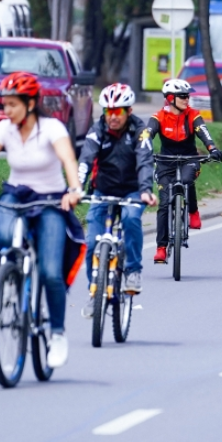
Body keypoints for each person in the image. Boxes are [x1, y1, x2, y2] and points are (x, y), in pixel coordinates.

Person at [0, 72, 84, 368]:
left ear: (30, 103)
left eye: (13, 104)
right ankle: (11, 277)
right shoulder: (4, 128)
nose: (7, 110)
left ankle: (57, 333)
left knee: (52, 272)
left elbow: (68, 160)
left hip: (50, 199)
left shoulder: (51, 128)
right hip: (16, 194)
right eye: (5, 104)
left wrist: (74, 189)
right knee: (2, 231)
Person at [77, 83, 157, 296]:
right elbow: (86, 158)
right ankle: (93, 291)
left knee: (131, 219)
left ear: (129, 111)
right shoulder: (98, 130)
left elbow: (144, 161)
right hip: (103, 191)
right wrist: (76, 188)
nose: (112, 117)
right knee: (92, 241)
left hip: (133, 191)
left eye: (118, 111)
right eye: (108, 111)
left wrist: (145, 190)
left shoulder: (141, 132)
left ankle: (133, 271)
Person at [147, 79, 222, 263]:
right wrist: (143, 150)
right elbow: (147, 134)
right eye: (183, 96)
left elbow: (203, 132)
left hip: (190, 159)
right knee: (164, 203)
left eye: (187, 95)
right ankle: (161, 248)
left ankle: (193, 212)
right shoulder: (158, 117)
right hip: (165, 162)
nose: (186, 99)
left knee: (187, 181)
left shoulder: (193, 115)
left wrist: (212, 148)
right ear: (171, 98)